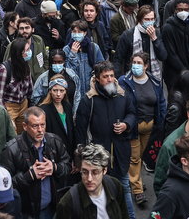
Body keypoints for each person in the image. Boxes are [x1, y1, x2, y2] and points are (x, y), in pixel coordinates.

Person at [75, 61, 137, 218]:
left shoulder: (123, 95)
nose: (110, 80)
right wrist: (81, 156)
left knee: (124, 188)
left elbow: (132, 113)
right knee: (101, 194)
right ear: (97, 79)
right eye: (105, 77)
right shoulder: (89, 100)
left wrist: (126, 124)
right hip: (98, 158)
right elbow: (81, 131)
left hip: (120, 153)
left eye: (112, 76)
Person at [0, 107, 71, 219]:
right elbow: (4, 185)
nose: (40, 130)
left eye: (43, 125)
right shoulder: (11, 149)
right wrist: (29, 176)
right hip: (26, 213)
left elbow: (68, 166)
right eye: (35, 126)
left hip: (53, 209)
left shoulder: (54, 141)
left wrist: (55, 167)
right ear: (25, 126)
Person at [117, 51, 167, 206]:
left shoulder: (155, 82)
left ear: (146, 66)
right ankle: (138, 190)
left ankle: (135, 179)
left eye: (139, 63)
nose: (136, 66)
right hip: (132, 127)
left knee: (142, 155)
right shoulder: (124, 81)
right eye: (134, 62)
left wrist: (161, 122)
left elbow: (161, 102)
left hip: (150, 126)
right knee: (134, 157)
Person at [54, 144, 129, 219]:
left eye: (95, 172)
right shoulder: (68, 203)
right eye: (85, 172)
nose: (89, 178)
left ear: (104, 170)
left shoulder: (115, 185)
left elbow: (124, 215)